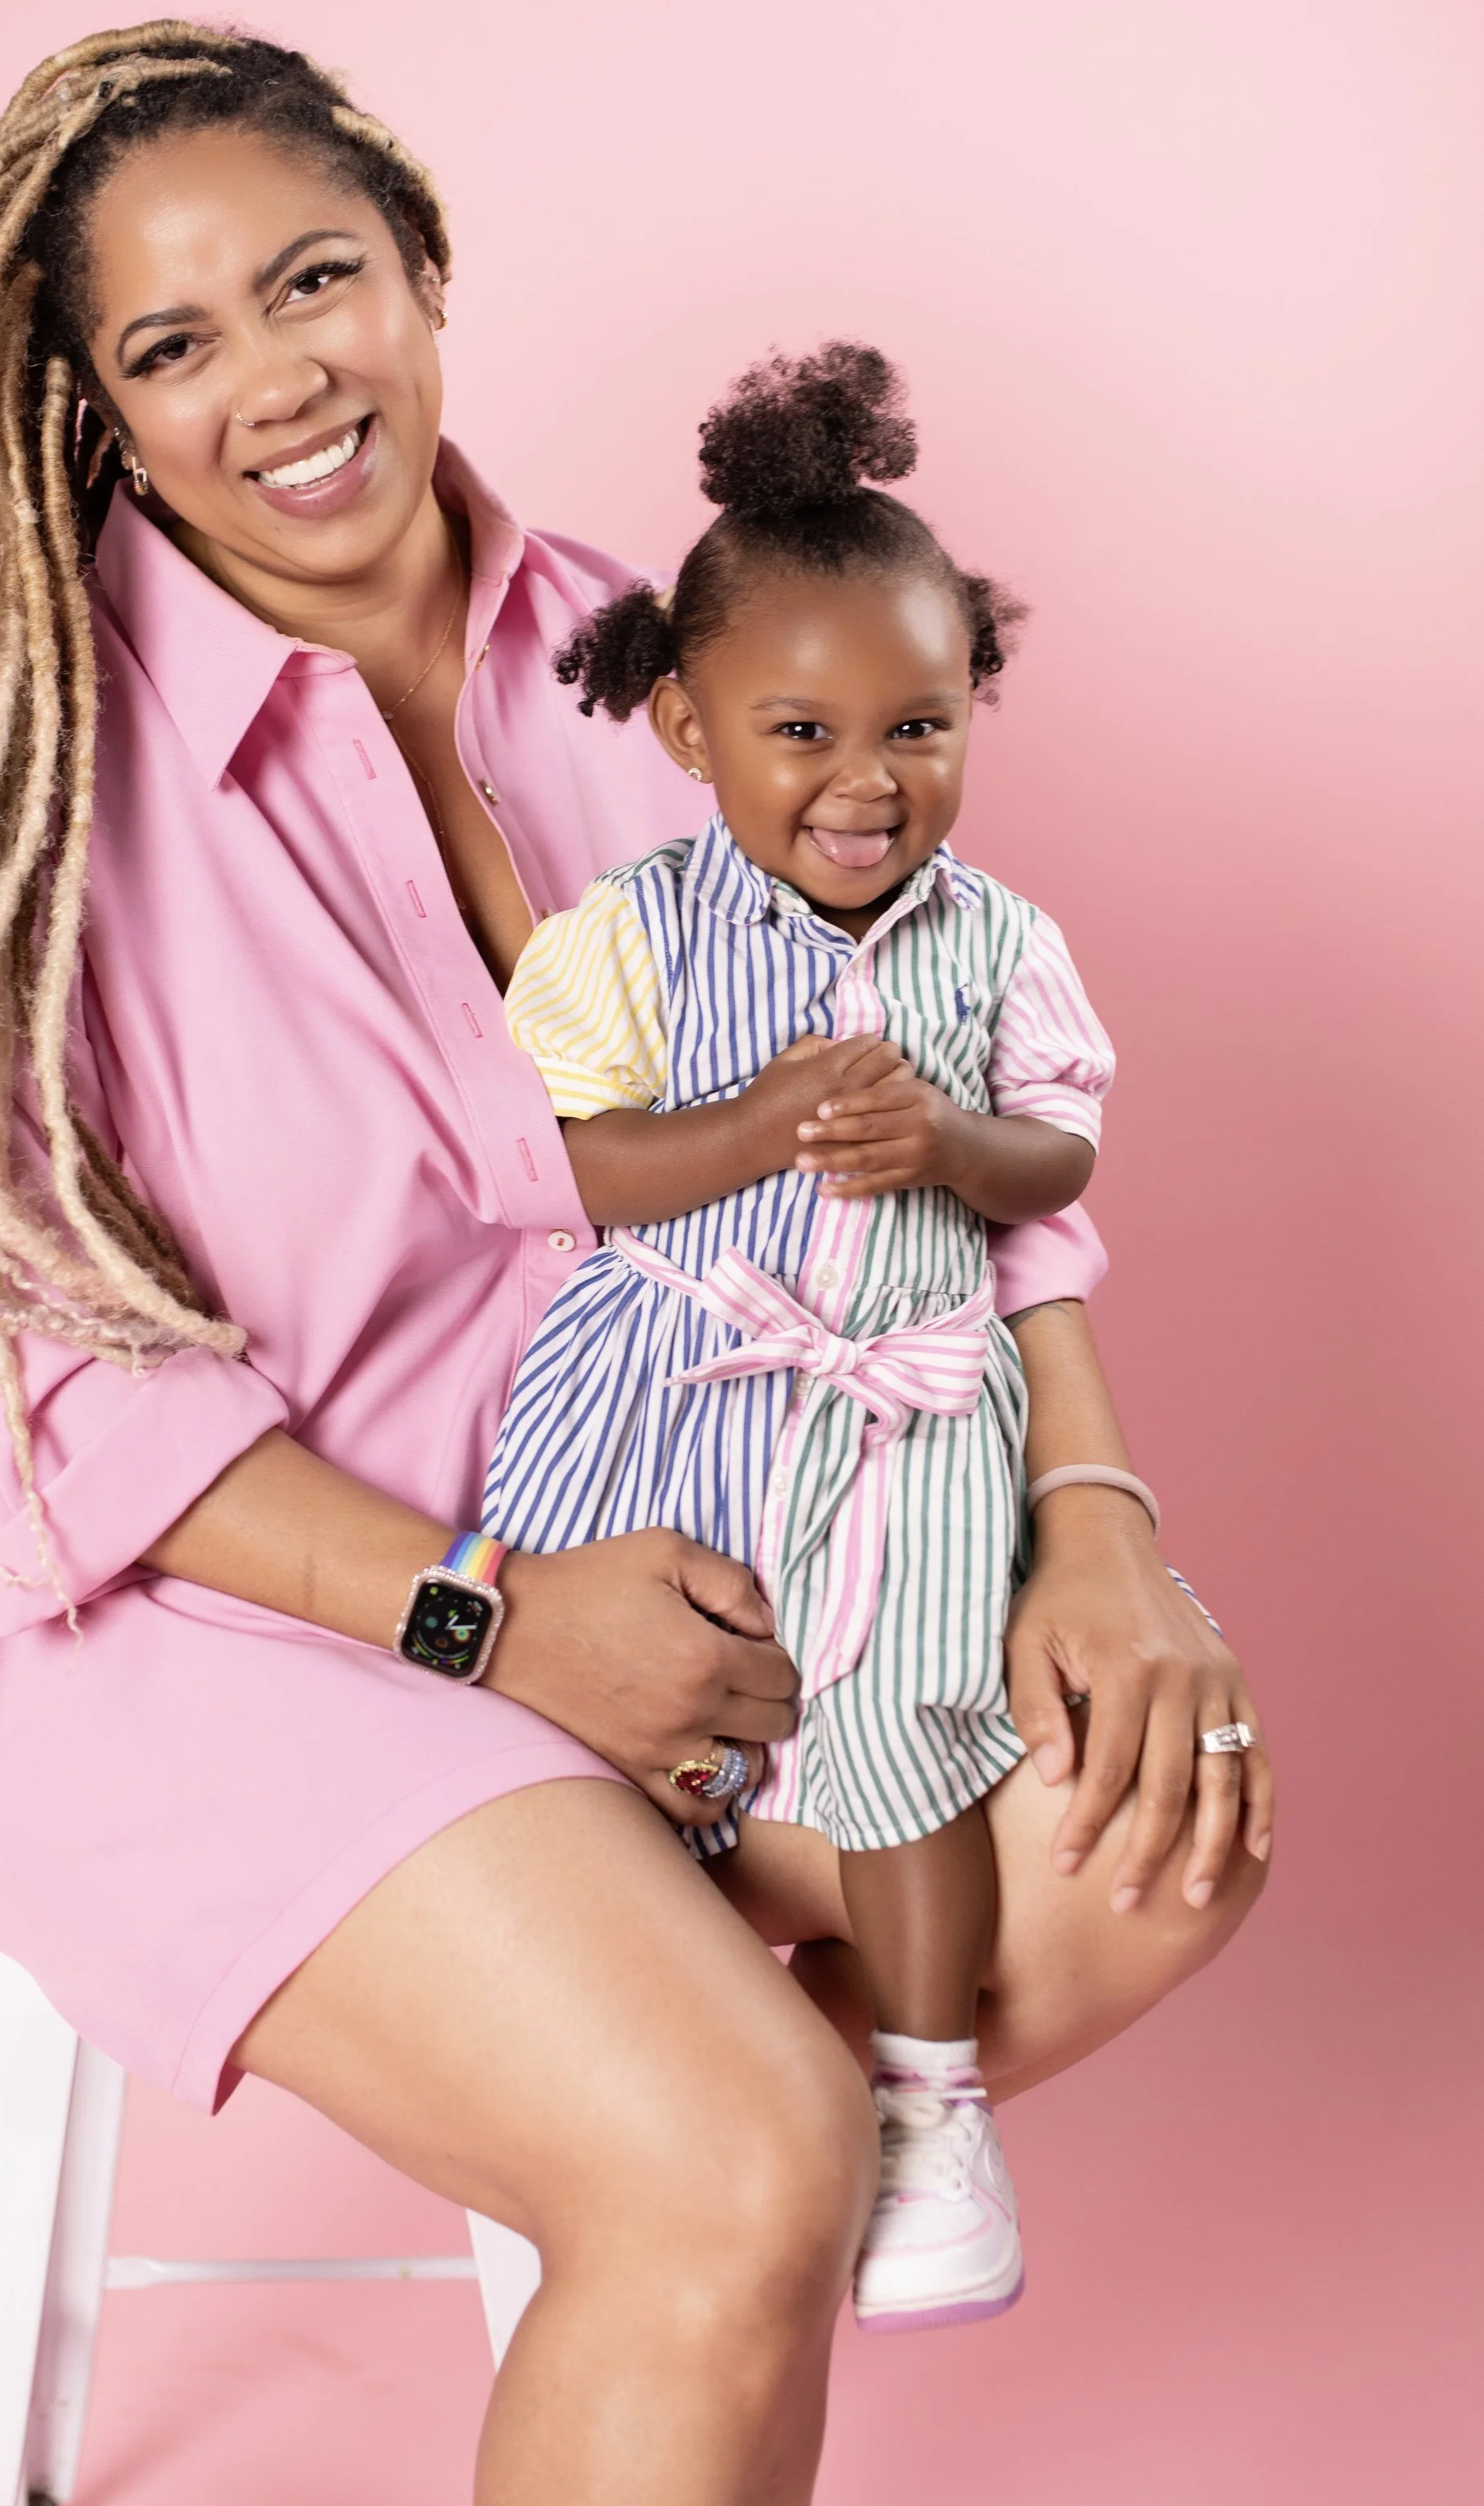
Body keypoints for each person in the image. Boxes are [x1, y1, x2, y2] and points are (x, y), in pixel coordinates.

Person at [0, 22, 1272, 2506]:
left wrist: (1093, 1508)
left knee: (1163, 1808)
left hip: (641, 1523)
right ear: (88, 407)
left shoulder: (669, 672)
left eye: (316, 278)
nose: (278, 377)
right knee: (735, 2166)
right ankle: (697, 2177)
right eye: (173, 344)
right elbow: (16, 1394)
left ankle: (676, 2188)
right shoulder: (10, 783)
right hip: (188, 1600)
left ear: (426, 269)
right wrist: (493, 1622)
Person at [484, 339, 1182, 2332]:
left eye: (918, 726)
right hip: (667, 1397)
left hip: (904, 1425)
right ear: (688, 733)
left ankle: (925, 2105)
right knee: (621, 1731)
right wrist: (756, 1122)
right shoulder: (624, 927)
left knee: (897, 1751)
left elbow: (1054, 1159)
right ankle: (628, 2084)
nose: (865, 781)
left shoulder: (1000, 938)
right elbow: (574, 1164)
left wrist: (948, 1137)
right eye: (799, 729)